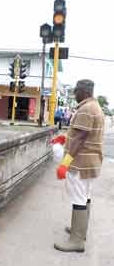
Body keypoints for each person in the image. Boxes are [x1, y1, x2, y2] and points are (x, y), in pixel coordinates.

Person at [53, 79, 105, 253]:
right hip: (90, 163)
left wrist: (65, 163)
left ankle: (76, 240)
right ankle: (79, 232)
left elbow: (81, 138)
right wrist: (65, 139)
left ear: (83, 91)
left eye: (76, 91)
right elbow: (80, 135)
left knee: (78, 198)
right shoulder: (94, 107)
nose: (74, 94)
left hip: (81, 163)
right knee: (85, 196)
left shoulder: (86, 109)